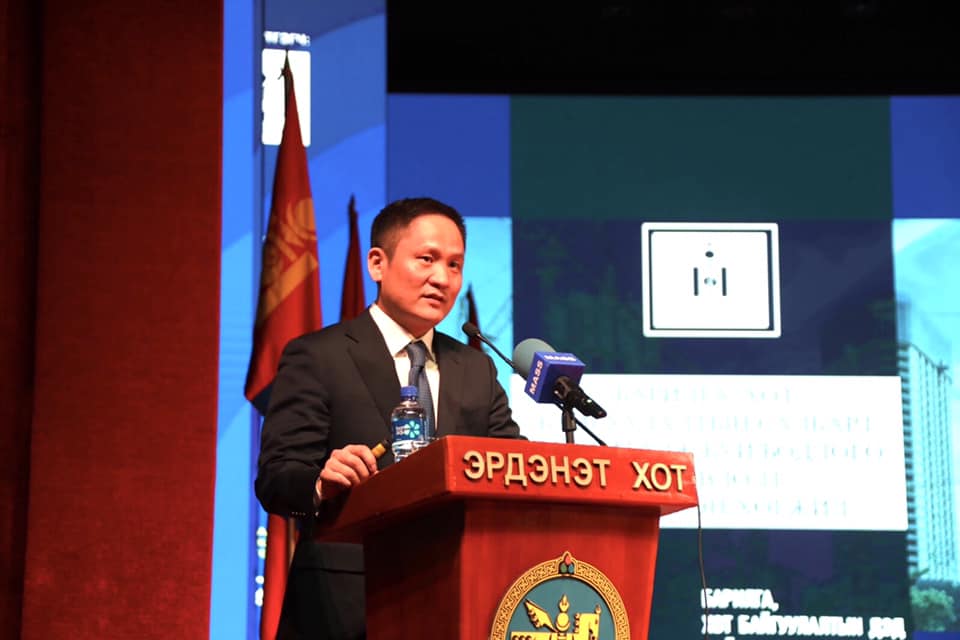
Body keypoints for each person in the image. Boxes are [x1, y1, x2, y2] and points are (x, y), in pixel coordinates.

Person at [255, 197, 523, 639]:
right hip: (344, 607)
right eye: (427, 259)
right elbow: (276, 480)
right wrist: (319, 483)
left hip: (455, 601)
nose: (443, 278)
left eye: (455, 265)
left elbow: (510, 464)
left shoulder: (475, 367)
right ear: (377, 264)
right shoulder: (318, 356)